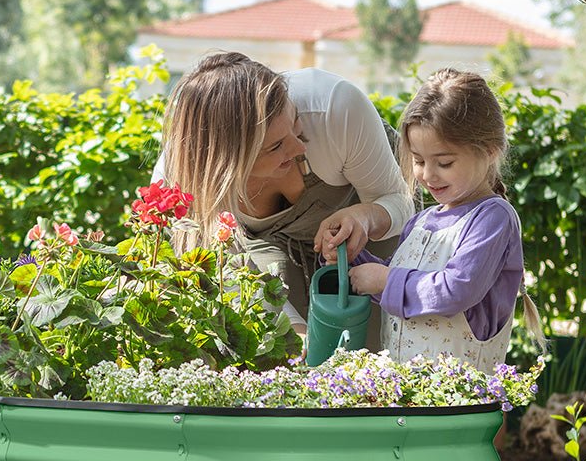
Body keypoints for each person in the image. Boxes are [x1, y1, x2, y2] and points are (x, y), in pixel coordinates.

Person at [152, 51, 413, 334]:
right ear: (229, 163)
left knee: (379, 334)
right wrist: (295, 336)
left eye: (297, 126)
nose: (299, 148)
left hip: (374, 226)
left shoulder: (334, 107)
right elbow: (234, 273)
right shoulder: (184, 179)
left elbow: (400, 202)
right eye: (276, 146)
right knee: (279, 345)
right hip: (263, 246)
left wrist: (363, 217)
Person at [344, 68, 544, 372]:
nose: (427, 174)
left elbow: (456, 289)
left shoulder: (492, 218)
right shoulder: (421, 222)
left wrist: (384, 279)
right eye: (418, 160)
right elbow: (405, 285)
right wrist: (350, 256)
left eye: (445, 162)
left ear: (489, 151)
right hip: (408, 392)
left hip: (460, 397)